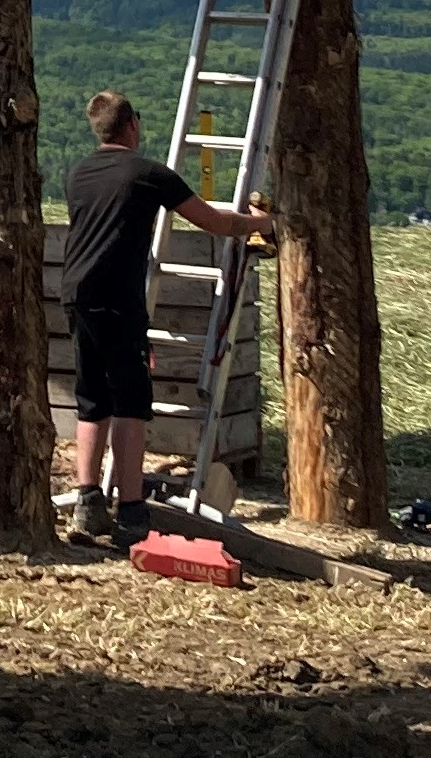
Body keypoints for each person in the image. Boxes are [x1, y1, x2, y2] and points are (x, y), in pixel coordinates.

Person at [55, 91, 275, 542]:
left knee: (92, 399)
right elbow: (214, 222)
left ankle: (88, 502)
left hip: (77, 293)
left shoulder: (78, 174)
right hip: (118, 299)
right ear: (132, 125)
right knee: (130, 403)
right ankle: (132, 512)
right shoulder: (148, 174)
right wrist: (261, 224)